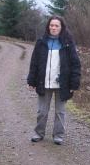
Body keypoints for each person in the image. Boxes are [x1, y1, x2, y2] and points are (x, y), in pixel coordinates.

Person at [27, 15, 81, 145]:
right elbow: (34, 63)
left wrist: (74, 83)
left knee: (60, 112)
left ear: (61, 27)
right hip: (43, 82)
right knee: (42, 111)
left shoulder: (68, 43)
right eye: (52, 25)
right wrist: (31, 81)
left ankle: (58, 135)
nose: (54, 28)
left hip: (62, 83)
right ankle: (39, 133)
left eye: (57, 25)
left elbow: (75, 64)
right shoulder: (41, 42)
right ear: (48, 26)